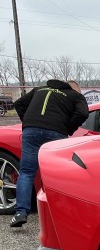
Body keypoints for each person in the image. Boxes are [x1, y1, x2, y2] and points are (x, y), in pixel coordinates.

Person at [10, 80, 88, 227]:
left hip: (31, 131)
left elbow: (19, 103)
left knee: (26, 172)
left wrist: (28, 122)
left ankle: (21, 212)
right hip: (56, 132)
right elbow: (83, 113)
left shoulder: (39, 89)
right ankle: (60, 212)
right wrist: (68, 128)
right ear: (76, 89)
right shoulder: (75, 95)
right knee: (58, 174)